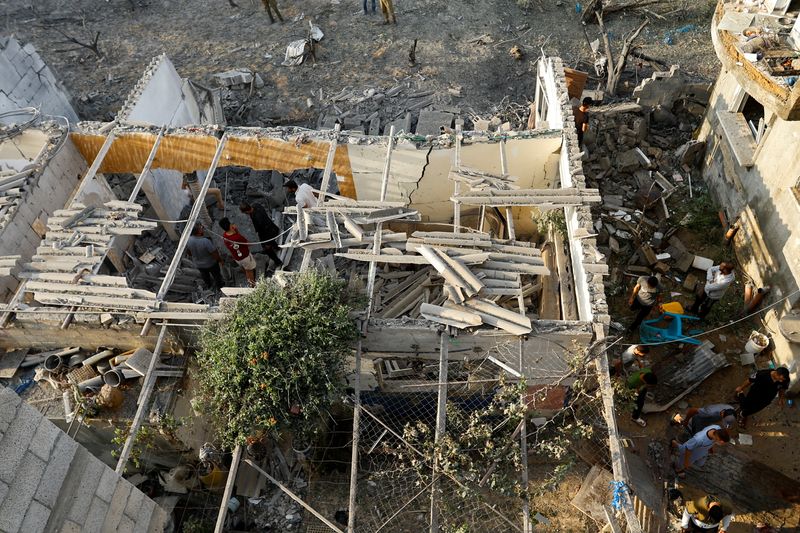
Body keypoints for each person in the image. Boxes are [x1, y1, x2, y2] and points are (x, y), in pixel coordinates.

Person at [240, 201, 283, 276]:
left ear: (246, 211)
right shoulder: (256, 205)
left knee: (267, 249)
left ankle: (278, 262)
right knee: (272, 241)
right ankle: (276, 247)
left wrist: (267, 243)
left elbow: (263, 231)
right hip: (272, 227)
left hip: (267, 233)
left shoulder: (257, 218)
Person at [219, 217, 256, 287]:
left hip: (236, 257)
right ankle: (252, 285)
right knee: (249, 270)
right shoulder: (238, 237)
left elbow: (235, 238)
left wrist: (235, 230)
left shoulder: (224, 235)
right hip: (245, 257)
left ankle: (248, 277)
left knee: (244, 268)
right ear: (229, 225)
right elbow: (247, 243)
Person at [186, 224, 224, 290]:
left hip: (199, 265)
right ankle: (219, 286)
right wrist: (220, 260)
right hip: (211, 263)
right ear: (199, 231)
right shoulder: (206, 241)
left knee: (205, 276)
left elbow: (189, 253)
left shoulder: (188, 240)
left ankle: (209, 285)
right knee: (216, 275)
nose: (203, 228)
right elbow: (214, 254)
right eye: (201, 228)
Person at [672, 403, 737, 438]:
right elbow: (693, 410)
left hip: (709, 420)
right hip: (699, 419)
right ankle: (679, 419)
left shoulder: (731, 411)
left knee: (702, 431)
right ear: (723, 414)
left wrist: (725, 434)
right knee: (696, 434)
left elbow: (728, 425)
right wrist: (686, 421)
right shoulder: (710, 412)